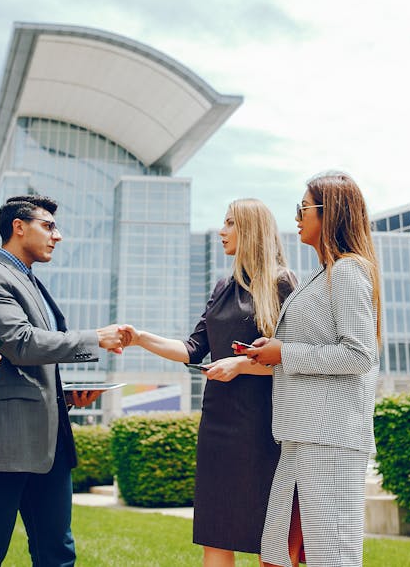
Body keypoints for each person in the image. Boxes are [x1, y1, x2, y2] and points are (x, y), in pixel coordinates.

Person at [120, 199, 296, 567]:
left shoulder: (283, 284)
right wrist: (140, 337)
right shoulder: (223, 286)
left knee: (272, 536)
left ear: (251, 230)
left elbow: (295, 361)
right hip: (217, 424)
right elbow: (192, 349)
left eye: (230, 223)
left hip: (265, 427)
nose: (221, 230)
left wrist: (240, 366)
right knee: (216, 531)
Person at [0, 195, 126, 567]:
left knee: (57, 552)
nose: (57, 236)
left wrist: (66, 395)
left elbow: (35, 360)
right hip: (7, 440)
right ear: (18, 227)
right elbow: (19, 344)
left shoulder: (32, 282)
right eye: (48, 226)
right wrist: (95, 338)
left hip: (52, 442)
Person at [246, 172, 381, 567]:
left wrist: (284, 352)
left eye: (303, 209)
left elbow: (360, 355)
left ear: (331, 213)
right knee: (277, 556)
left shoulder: (347, 271)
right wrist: (272, 354)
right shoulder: (324, 274)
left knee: (331, 556)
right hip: (302, 437)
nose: (297, 218)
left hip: (330, 440)